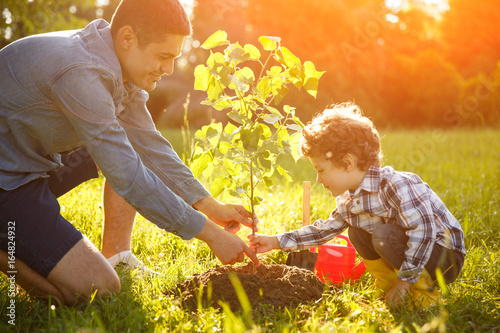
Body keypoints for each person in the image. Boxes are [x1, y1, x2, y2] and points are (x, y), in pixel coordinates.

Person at [0, 0, 259, 305]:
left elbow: (150, 145)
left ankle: (117, 256)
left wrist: (209, 205)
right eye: (163, 56)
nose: (169, 68)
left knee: (124, 146)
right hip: (8, 183)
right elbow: (128, 175)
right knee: (97, 289)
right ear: (127, 38)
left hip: (27, 161)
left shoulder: (117, 64)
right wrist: (211, 236)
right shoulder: (82, 72)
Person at [248, 102, 465, 308]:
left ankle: (424, 293)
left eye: (321, 170)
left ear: (347, 162)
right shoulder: (348, 201)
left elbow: (424, 231)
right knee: (358, 232)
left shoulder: (395, 185)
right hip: (413, 251)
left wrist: (404, 282)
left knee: (382, 234)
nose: (318, 179)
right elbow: (321, 231)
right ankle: (387, 285)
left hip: (444, 256)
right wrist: (275, 241)